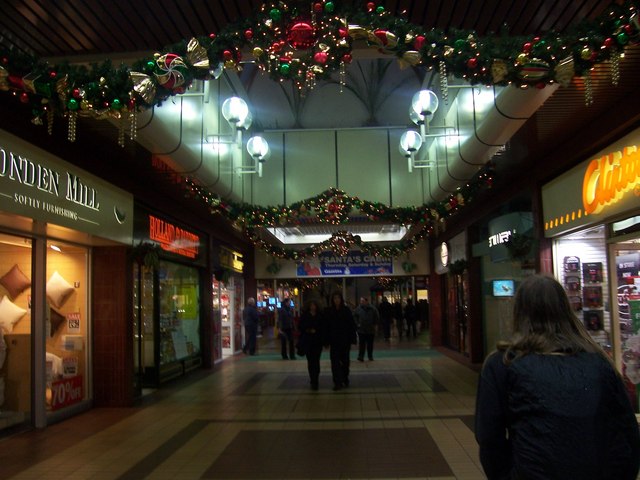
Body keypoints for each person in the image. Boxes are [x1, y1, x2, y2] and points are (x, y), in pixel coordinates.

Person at [475, 274, 640, 480]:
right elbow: (627, 431)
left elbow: (490, 438)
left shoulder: (503, 363)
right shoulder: (598, 362)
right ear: (565, 310)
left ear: (519, 312)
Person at [325, 292, 357, 391]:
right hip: (334, 341)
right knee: (334, 363)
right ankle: (337, 382)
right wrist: (326, 341)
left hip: (345, 341)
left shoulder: (346, 311)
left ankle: (344, 377)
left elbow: (351, 325)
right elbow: (326, 327)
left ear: (341, 299)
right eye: (335, 298)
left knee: (345, 362)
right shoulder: (329, 311)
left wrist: (352, 339)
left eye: (338, 298)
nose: (336, 300)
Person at [298, 300, 325, 390]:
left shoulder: (320, 316)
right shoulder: (305, 316)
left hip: (317, 341)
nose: (313, 307)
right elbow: (300, 326)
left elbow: (323, 327)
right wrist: (308, 329)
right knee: (310, 361)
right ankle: (312, 379)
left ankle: (315, 378)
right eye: (311, 305)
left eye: (314, 305)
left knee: (316, 361)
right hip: (308, 341)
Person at [355, 296, 379, 361]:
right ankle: (361, 356)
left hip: (370, 330)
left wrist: (375, 326)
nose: (361, 302)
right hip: (361, 330)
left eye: (362, 301)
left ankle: (370, 356)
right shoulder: (358, 309)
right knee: (361, 344)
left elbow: (376, 318)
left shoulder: (373, 309)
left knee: (370, 344)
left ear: (366, 301)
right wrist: (357, 324)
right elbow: (355, 317)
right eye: (361, 301)